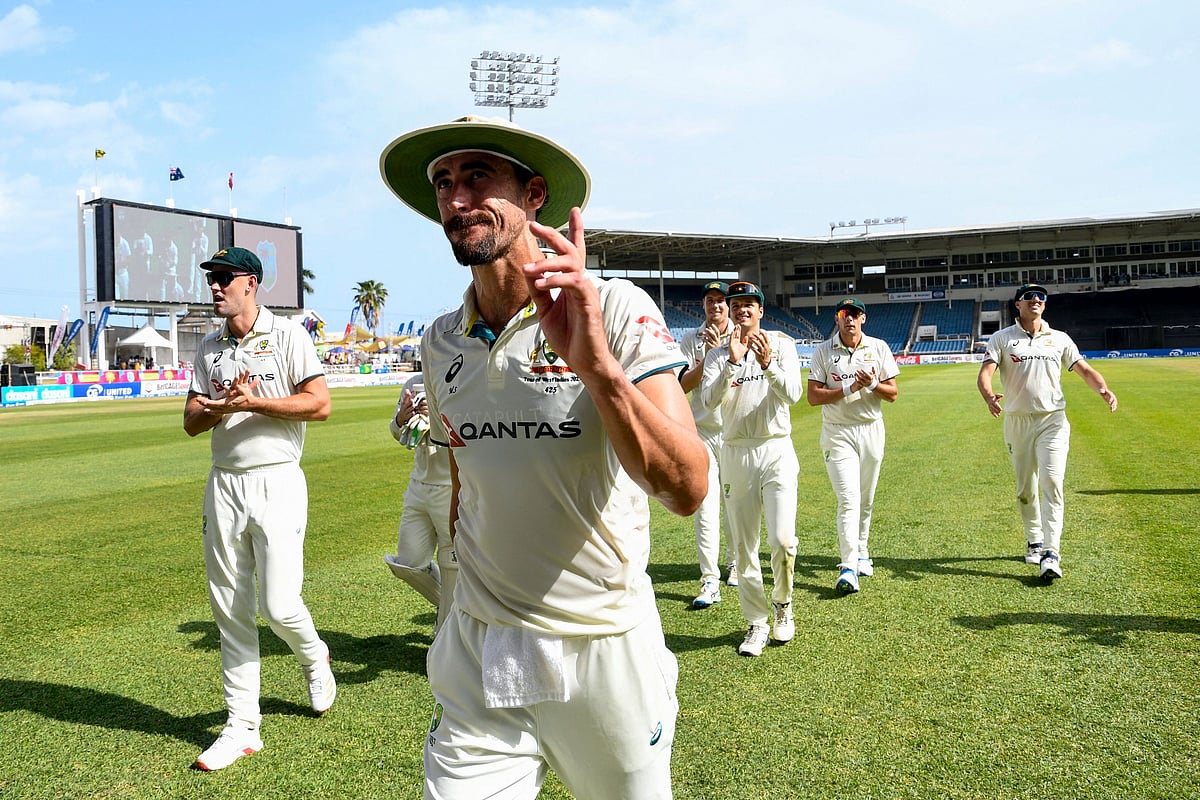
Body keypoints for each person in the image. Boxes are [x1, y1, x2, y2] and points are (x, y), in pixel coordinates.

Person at [379, 115, 707, 800]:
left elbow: (686, 486)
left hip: (601, 643)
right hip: (479, 642)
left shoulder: (614, 308)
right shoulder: (442, 340)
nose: (457, 198)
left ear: (533, 196)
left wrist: (598, 368)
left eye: (477, 177)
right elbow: (464, 473)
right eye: (444, 182)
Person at [183, 246, 336, 771]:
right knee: (230, 609)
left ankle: (315, 655)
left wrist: (254, 403)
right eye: (212, 279)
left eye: (224, 278)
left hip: (277, 482)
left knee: (278, 605)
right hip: (223, 485)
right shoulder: (208, 346)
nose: (215, 287)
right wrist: (220, 407)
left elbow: (319, 404)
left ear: (251, 282)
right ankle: (243, 726)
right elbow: (190, 421)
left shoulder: (289, 335)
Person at [977, 283, 1118, 581]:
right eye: (1029, 297)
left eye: (1041, 296)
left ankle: (1051, 553)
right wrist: (989, 396)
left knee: (1052, 482)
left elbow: (1084, 369)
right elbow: (985, 374)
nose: (1036, 300)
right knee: (1025, 489)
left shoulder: (1060, 339)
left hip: (1053, 420)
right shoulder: (1002, 338)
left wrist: (1103, 389)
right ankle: (1034, 539)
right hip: (1017, 421)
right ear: (1018, 304)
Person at [699, 281, 803, 657]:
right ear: (730, 311)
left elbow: (793, 393)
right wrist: (730, 362)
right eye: (736, 304)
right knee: (744, 547)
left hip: (776, 448)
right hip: (736, 452)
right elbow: (709, 403)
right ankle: (757, 622)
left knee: (783, 540)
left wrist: (766, 363)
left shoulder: (783, 344)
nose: (743, 310)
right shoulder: (716, 356)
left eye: (750, 305)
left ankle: (783, 604)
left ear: (761, 311)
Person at [805, 297, 900, 594]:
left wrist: (871, 385)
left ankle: (862, 551)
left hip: (871, 429)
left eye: (855, 314)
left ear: (863, 319)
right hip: (837, 432)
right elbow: (813, 396)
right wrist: (849, 388)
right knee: (848, 499)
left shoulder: (879, 347)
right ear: (837, 318)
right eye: (844, 313)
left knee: (865, 499)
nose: (850, 318)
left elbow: (893, 394)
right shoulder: (824, 351)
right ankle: (848, 567)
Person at [678, 280, 737, 608]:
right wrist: (711, 356)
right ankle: (709, 578)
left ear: (728, 305)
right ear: (703, 305)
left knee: (735, 504)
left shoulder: (741, 334)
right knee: (705, 505)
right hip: (701, 431)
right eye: (710, 300)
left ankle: (735, 562)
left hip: (734, 431)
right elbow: (682, 384)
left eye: (721, 300)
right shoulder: (690, 339)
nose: (715, 305)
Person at [383, 372, 457, 632]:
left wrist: (434, 415)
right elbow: (397, 432)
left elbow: (472, 433)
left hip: (452, 486)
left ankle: (449, 629)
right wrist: (401, 418)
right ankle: (459, 607)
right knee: (407, 563)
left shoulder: (466, 376)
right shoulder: (414, 382)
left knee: (452, 565)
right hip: (418, 485)